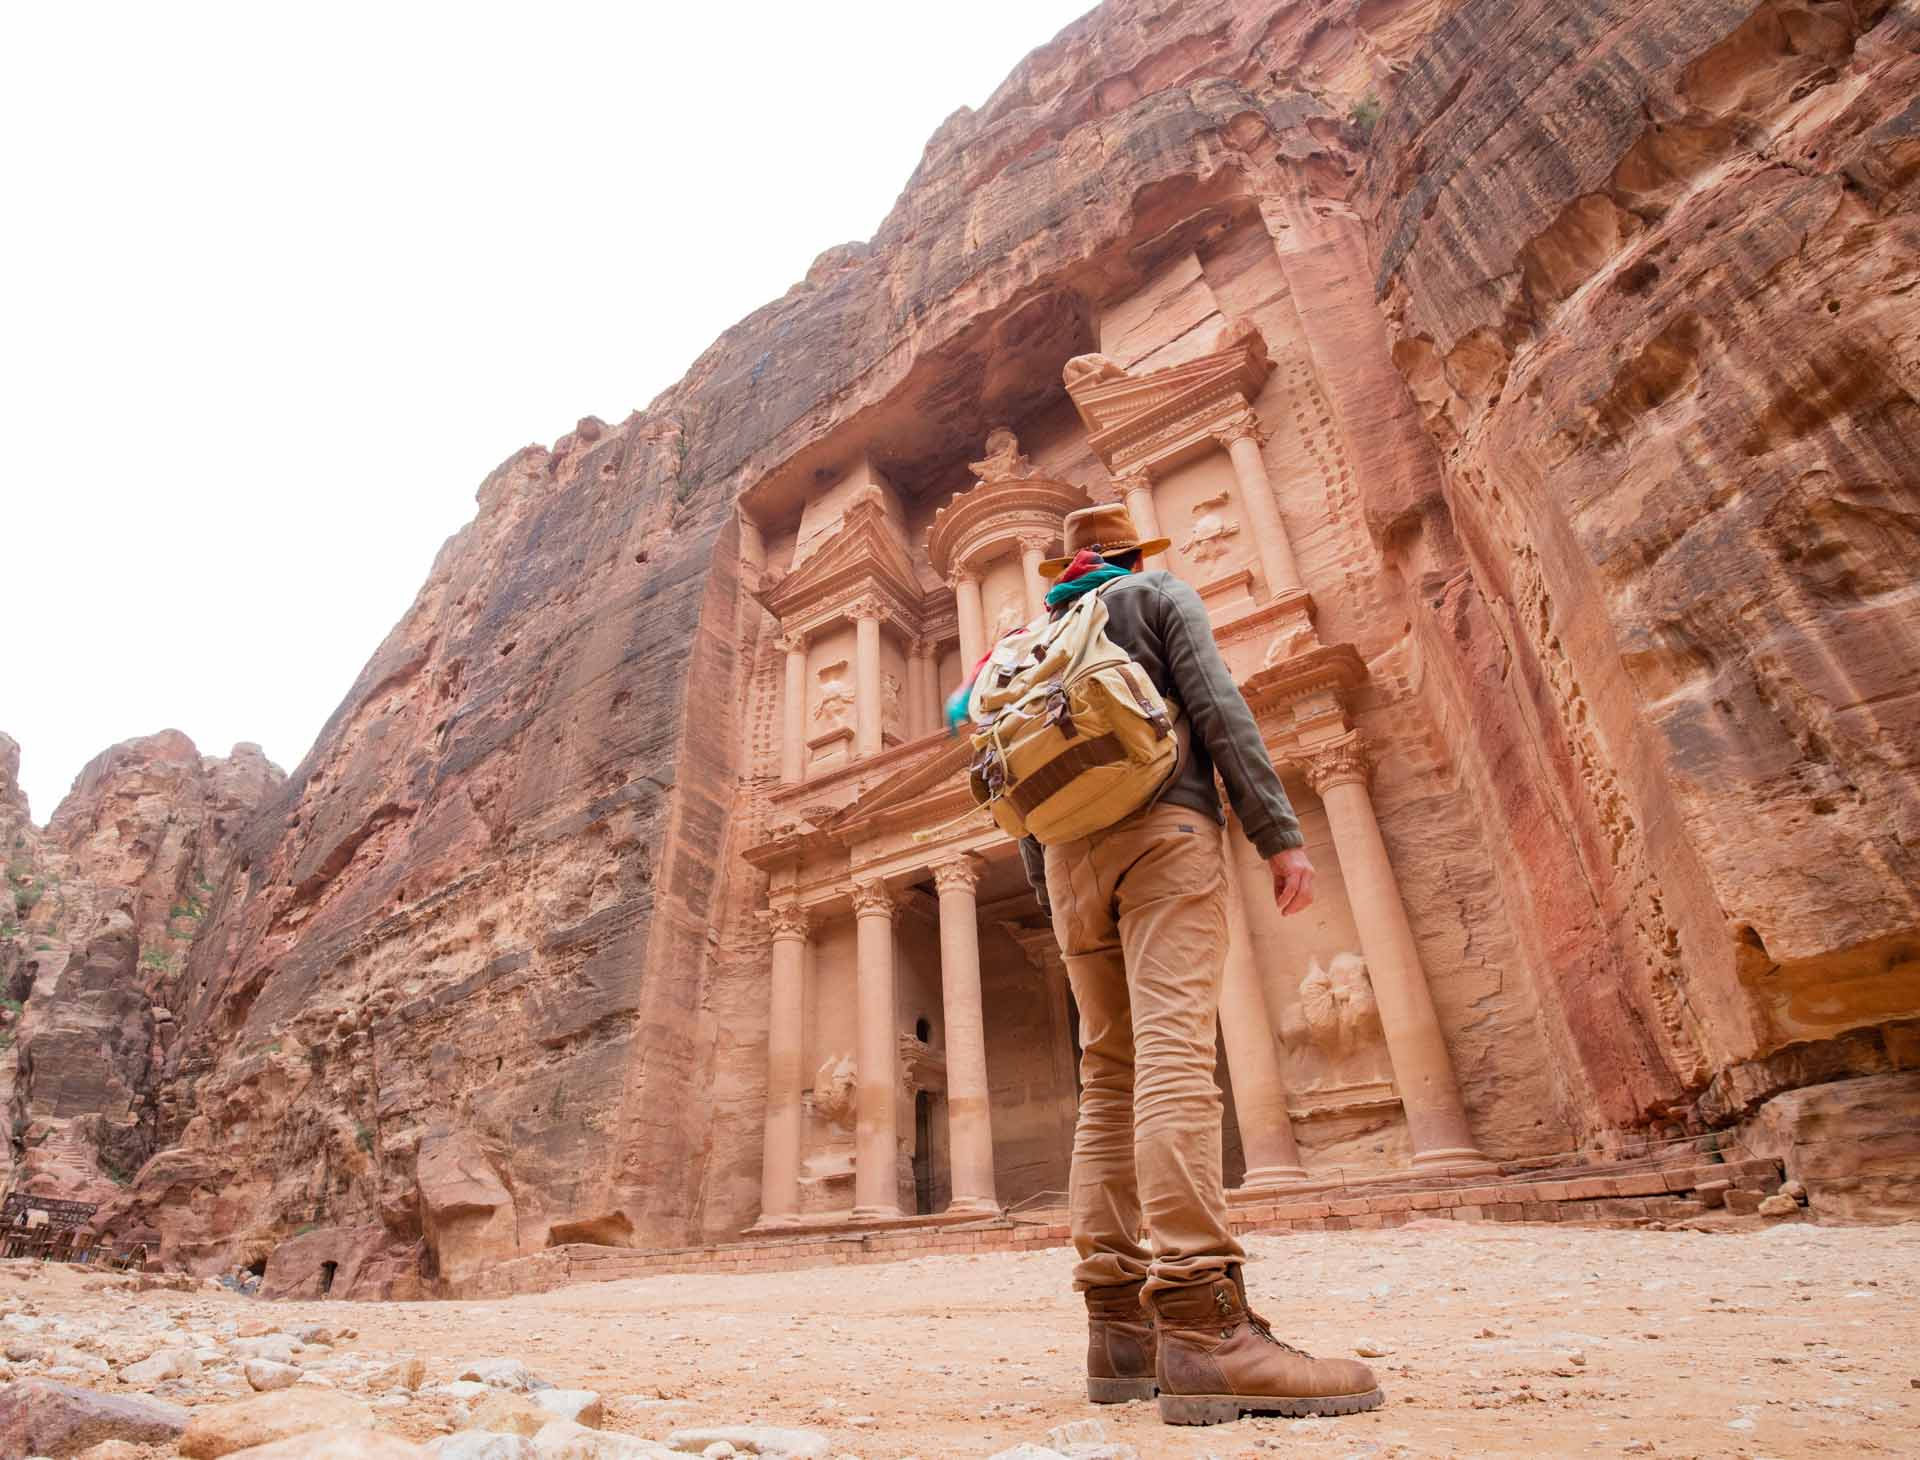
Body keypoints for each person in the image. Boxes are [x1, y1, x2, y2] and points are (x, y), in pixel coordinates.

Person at [1016, 502, 1384, 1425]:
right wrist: (1277, 833)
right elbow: (1219, 705)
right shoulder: (1154, 594)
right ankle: (1205, 1325)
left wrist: (1051, 886)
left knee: (1108, 1074)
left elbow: (1008, 779)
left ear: (1069, 563)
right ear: (1128, 553)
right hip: (1164, 829)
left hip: (1066, 861)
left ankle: (1115, 1328)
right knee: (1176, 1054)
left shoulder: (1030, 639)